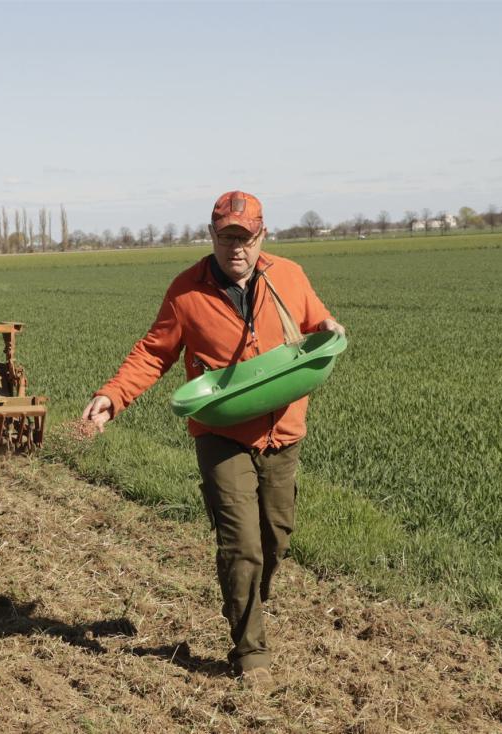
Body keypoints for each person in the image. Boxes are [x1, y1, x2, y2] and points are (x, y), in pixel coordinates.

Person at [82, 191, 344, 690]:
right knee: (241, 545)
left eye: (245, 238)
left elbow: (316, 324)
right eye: (226, 238)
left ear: (262, 236)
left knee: (274, 539)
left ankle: (245, 598)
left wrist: (330, 327)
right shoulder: (187, 291)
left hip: (283, 431)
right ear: (211, 236)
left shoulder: (289, 276)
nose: (235, 248)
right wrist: (112, 397)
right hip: (221, 434)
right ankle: (251, 653)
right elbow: (153, 353)